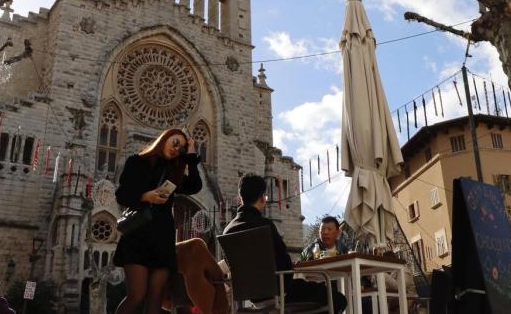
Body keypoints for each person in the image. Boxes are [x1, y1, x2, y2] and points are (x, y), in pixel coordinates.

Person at [224, 174, 347, 313]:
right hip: (281, 294)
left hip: (253, 300)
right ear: (262, 198)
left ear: (241, 198)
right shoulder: (264, 225)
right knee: (338, 299)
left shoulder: (227, 230)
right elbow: (285, 264)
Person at [113, 128, 202, 314]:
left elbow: (195, 186)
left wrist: (191, 155)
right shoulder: (137, 162)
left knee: (156, 297)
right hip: (138, 235)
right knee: (136, 295)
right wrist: (146, 196)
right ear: (164, 138)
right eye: (175, 143)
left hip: (162, 237)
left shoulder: (174, 172)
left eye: (181, 149)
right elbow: (122, 194)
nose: (176, 149)